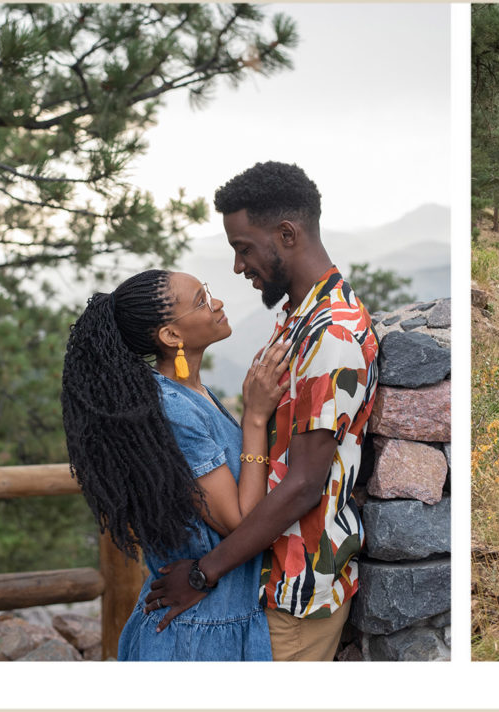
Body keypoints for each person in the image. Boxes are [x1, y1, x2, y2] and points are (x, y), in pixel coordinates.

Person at [145, 162, 380, 661]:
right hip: (271, 583)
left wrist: (203, 573)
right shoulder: (301, 320)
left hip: (295, 594)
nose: (237, 267)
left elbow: (302, 485)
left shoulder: (331, 334)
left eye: (243, 248)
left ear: (287, 234)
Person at [61, 269, 293, 660]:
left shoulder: (192, 393)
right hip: (195, 638)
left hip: (212, 622)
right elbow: (239, 521)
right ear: (171, 336)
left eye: (209, 293)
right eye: (201, 301)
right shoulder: (174, 410)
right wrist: (254, 417)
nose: (217, 303)